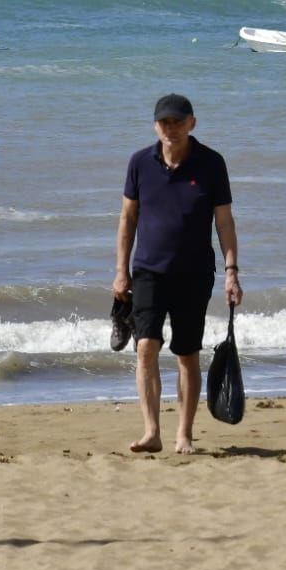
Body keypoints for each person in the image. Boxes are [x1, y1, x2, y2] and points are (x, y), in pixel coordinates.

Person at [113, 93, 243, 454]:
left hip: (194, 273)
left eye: (177, 121)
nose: (170, 128)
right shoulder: (140, 163)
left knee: (186, 354)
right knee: (145, 348)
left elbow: (225, 221)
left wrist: (232, 271)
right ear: (156, 125)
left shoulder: (211, 164)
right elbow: (128, 219)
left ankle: (184, 434)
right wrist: (120, 272)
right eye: (164, 122)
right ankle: (152, 432)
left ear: (191, 123)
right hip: (148, 271)